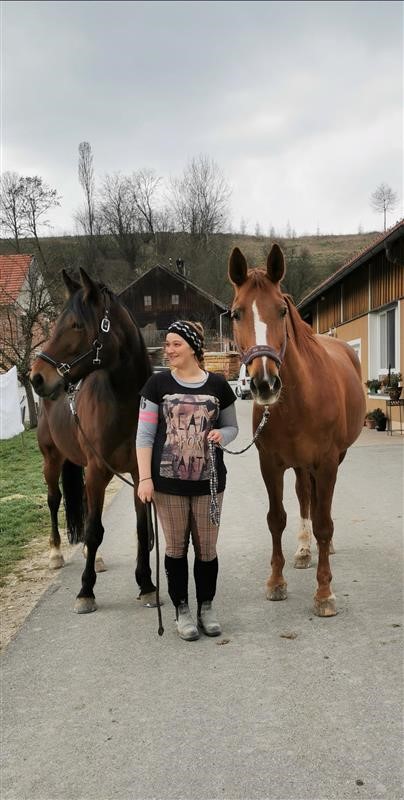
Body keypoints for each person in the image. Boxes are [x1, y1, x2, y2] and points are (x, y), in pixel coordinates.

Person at [136, 320, 238, 641]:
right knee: (176, 548)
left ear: (193, 347)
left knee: (207, 549)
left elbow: (232, 427)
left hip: (210, 484)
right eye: (167, 344)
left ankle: (206, 607)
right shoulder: (156, 385)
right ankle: (182, 609)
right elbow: (144, 435)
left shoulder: (219, 385)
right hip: (168, 485)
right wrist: (145, 478)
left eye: (175, 344)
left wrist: (223, 435)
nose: (169, 350)